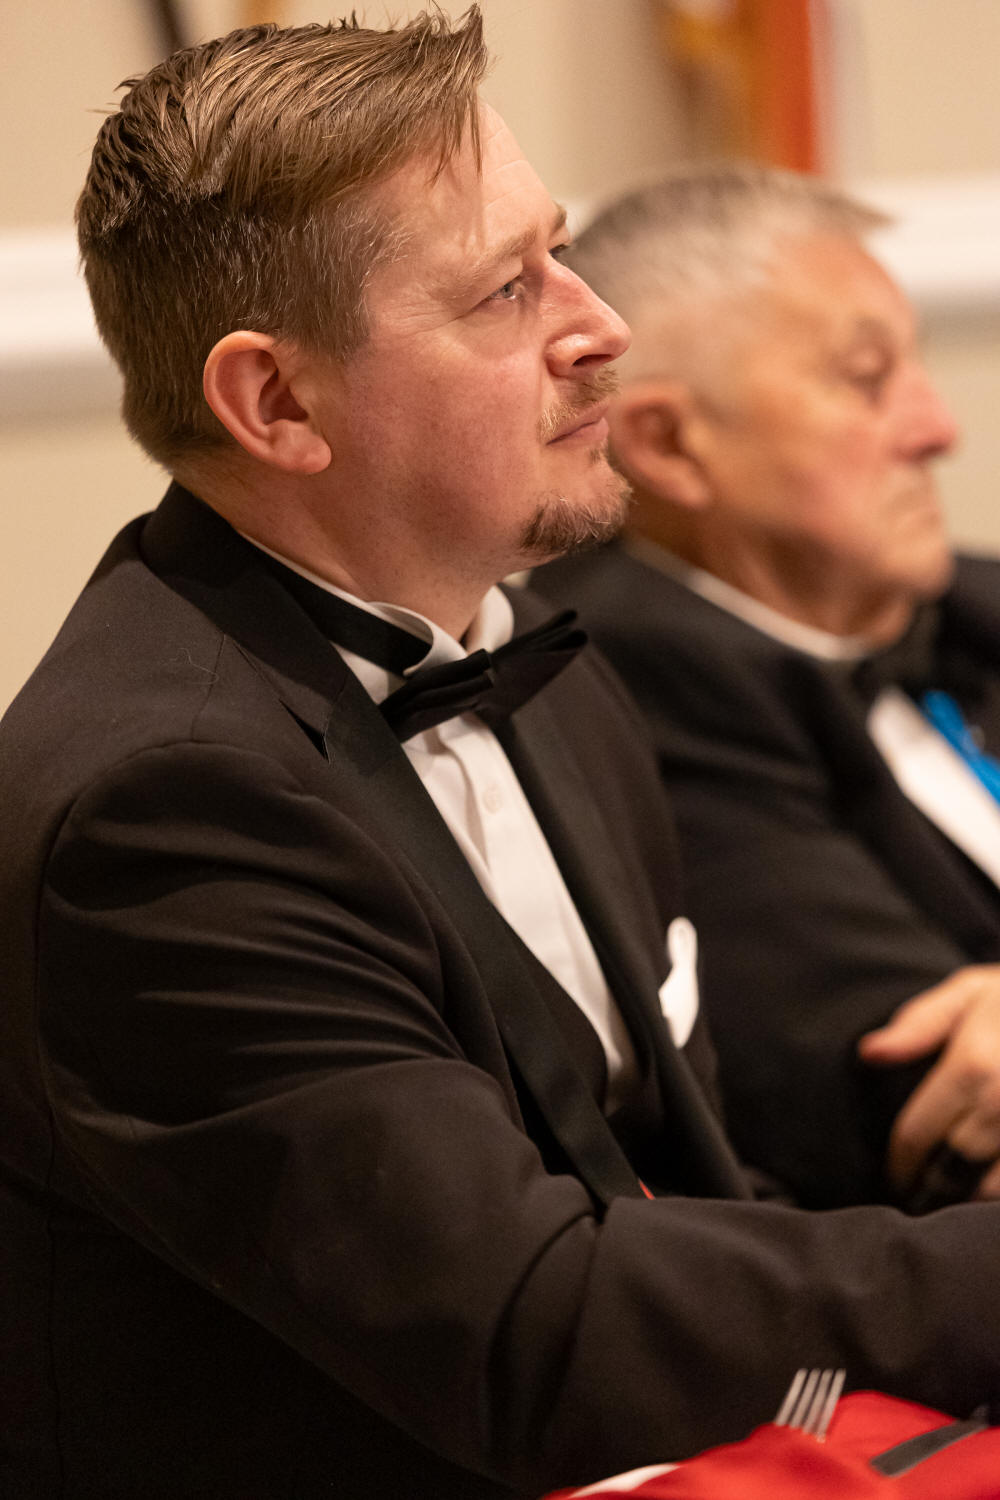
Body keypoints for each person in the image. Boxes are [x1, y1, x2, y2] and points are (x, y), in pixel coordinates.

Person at [2, 17, 1000, 1498]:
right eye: (506, 290)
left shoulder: (537, 657)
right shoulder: (166, 809)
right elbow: (533, 1334)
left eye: (563, 252)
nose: (601, 327)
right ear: (277, 403)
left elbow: (686, 1184)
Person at [535, 164, 1000, 1214]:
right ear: (670, 446)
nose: (937, 428)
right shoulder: (620, 687)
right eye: (866, 377)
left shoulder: (974, 606)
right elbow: (935, 1109)